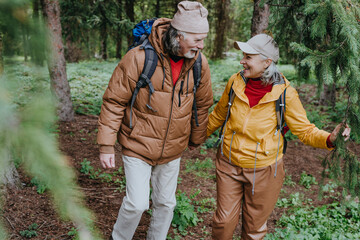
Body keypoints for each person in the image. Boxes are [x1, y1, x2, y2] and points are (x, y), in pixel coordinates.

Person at [207, 33, 351, 240]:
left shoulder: (285, 93)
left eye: (248, 57)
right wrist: (192, 138)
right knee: (222, 222)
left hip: (265, 170)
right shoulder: (235, 82)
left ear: (267, 62)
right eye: (243, 56)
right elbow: (219, 115)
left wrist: (330, 139)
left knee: (254, 229)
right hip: (229, 163)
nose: (242, 61)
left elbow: (305, 131)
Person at [96, 1, 213, 240]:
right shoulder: (139, 58)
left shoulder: (200, 64)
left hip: (172, 148)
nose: (201, 46)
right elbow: (114, 101)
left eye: (204, 39)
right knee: (137, 204)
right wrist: (106, 145)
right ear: (179, 35)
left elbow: (202, 103)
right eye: (197, 40)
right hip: (137, 144)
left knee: (166, 204)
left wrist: (196, 138)